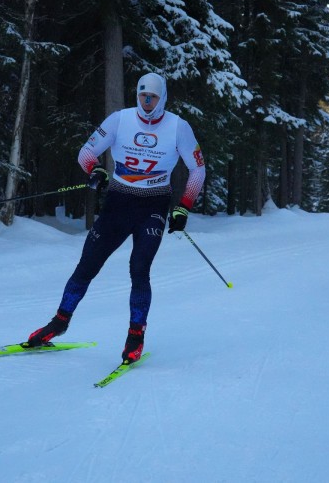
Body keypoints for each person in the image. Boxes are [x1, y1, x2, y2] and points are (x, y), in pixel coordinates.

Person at [26, 72, 206, 364]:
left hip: (153, 205)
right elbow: (87, 151)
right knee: (87, 266)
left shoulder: (178, 127)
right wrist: (95, 168)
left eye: (153, 97)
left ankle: (135, 336)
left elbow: (198, 169)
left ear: (163, 98)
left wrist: (183, 206)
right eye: (142, 96)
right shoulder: (120, 119)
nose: (147, 102)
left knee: (139, 269)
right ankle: (59, 322)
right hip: (118, 202)